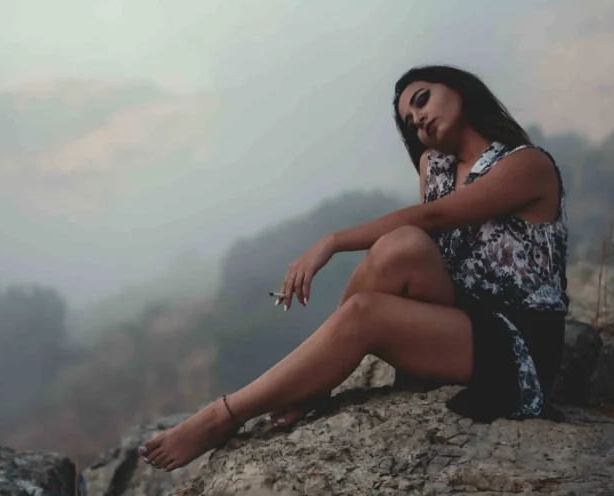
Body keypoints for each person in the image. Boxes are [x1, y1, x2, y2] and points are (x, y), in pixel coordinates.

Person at [137, 65, 569, 472]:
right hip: (462, 314)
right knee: (400, 246)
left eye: (422, 101)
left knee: (368, 306)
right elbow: (425, 243)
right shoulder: (433, 166)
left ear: (460, 88)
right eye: (410, 122)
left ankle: (224, 414)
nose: (418, 120)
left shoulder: (527, 164)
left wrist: (332, 242)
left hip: (517, 343)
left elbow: (436, 218)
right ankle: (314, 382)